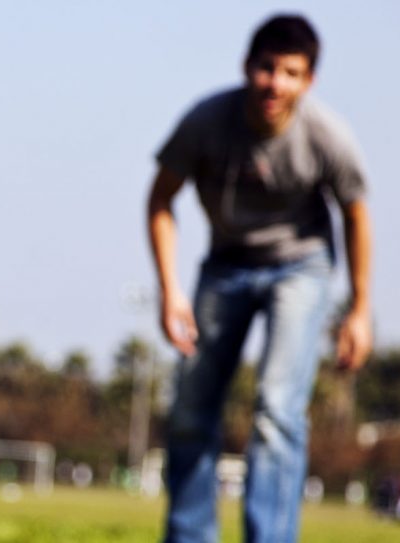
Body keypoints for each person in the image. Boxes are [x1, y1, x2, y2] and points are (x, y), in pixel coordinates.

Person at [145, 14, 374, 543]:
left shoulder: (326, 136)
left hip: (301, 268)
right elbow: (161, 198)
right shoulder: (206, 122)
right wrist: (169, 288)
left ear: (309, 80)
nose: (276, 83)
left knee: (276, 406)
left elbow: (357, 215)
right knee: (191, 408)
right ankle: (189, 535)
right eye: (267, 69)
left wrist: (359, 310)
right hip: (225, 266)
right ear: (247, 67)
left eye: (291, 73)